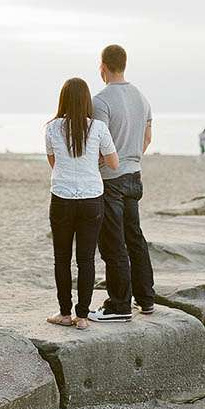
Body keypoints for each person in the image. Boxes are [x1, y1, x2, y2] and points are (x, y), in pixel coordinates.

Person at [45, 78, 118, 331]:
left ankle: (65, 313)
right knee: (86, 260)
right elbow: (114, 163)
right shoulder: (98, 128)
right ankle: (83, 316)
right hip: (91, 199)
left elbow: (54, 162)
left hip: (62, 197)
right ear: (87, 101)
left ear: (63, 100)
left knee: (61, 259)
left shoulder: (52, 128)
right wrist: (93, 161)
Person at [88, 44, 154, 323]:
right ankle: (146, 298)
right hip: (134, 175)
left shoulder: (100, 101)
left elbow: (98, 141)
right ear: (124, 65)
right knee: (135, 238)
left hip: (110, 179)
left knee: (113, 244)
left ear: (102, 66)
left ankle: (119, 305)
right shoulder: (142, 97)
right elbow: (147, 138)